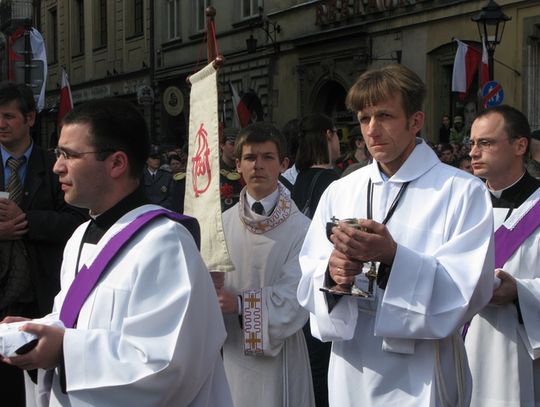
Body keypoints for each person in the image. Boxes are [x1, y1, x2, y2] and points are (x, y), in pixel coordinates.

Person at [2, 98, 232, 406]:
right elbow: (77, 319)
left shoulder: (165, 243)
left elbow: (167, 364)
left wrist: (64, 350)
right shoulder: (81, 235)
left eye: (69, 155)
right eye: (58, 154)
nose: (57, 166)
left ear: (116, 163)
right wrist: (39, 331)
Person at [297, 64, 494, 406]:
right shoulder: (341, 190)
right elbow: (308, 272)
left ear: (415, 121)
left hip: (421, 368)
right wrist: (334, 275)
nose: (372, 130)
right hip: (352, 364)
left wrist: (392, 258)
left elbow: (470, 288)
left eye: (385, 116)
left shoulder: (461, 191)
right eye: (364, 118)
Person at [0, 82, 86, 406]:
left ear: (30, 119)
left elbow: (78, 221)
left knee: (42, 394)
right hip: (1, 299)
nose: (1, 124)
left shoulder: (55, 167)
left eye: (9, 116)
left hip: (41, 299)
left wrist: (26, 222)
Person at [219, 122, 315, 407]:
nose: (258, 165)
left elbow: (296, 297)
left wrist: (240, 304)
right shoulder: (220, 225)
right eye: (250, 157)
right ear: (238, 165)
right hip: (231, 350)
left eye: (267, 157)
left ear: (283, 164)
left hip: (281, 352)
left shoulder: (302, 229)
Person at [465, 105, 540, 406]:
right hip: (458, 348)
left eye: (486, 143)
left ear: (520, 146)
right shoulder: (460, 207)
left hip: (517, 354)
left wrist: (519, 292)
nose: (473, 152)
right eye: (471, 143)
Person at [291, 113, 340, 407]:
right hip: (325, 283)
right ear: (327, 135)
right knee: (323, 373)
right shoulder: (334, 183)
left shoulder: (298, 180)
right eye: (336, 135)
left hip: (302, 284)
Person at [143, 145, 175, 210]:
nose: (156, 160)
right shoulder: (141, 176)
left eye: (158, 158)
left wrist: (160, 208)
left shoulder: (167, 176)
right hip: (145, 210)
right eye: (153, 158)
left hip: (163, 209)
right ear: (146, 160)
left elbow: (171, 196)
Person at [219, 127, 244, 212]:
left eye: (239, 145)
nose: (236, 149)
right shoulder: (213, 170)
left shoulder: (246, 169)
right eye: (232, 144)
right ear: (222, 145)